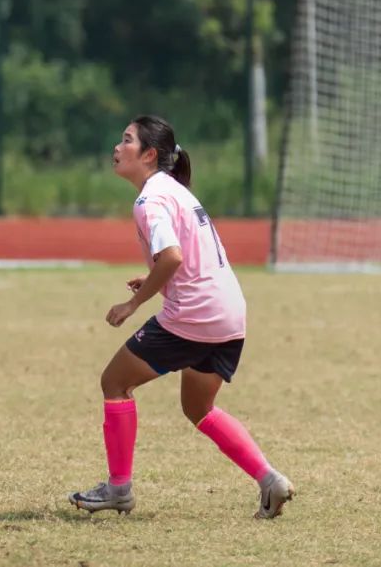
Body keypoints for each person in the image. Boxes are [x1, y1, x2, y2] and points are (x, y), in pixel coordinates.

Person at [68, 115, 294, 519]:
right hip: (229, 313)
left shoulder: (149, 200)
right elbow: (186, 257)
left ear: (149, 154)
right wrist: (156, 280)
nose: (117, 149)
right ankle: (270, 480)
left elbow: (172, 256)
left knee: (115, 382)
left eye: (126, 141)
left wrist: (132, 306)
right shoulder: (175, 190)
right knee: (198, 407)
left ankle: (119, 489)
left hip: (195, 315)